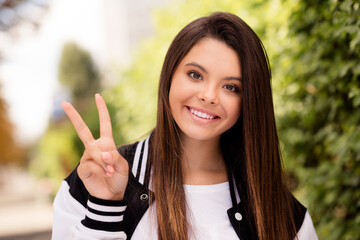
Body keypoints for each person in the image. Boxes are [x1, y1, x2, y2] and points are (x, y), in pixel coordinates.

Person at [52, 12, 318, 240]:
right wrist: (104, 207)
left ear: (249, 101)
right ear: (169, 76)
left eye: (231, 87)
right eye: (195, 75)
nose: (209, 95)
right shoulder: (94, 180)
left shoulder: (283, 215)